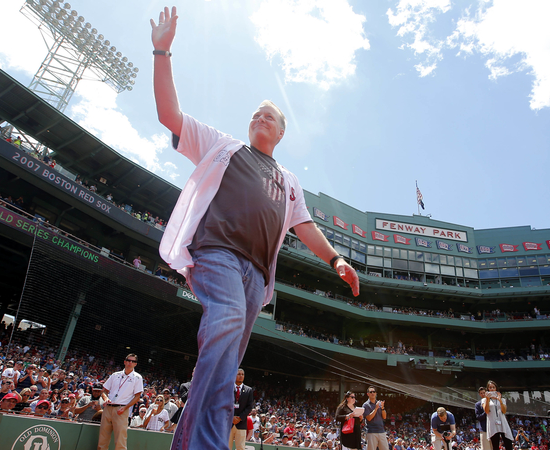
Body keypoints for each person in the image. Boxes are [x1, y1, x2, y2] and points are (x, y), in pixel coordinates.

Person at [150, 7, 360, 450]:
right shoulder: (224, 146)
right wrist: (162, 50)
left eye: (269, 116)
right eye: (256, 114)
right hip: (218, 254)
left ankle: (198, 443)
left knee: (229, 365)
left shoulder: (289, 181)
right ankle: (200, 444)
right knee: (223, 322)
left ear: (281, 132)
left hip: (257, 277)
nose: (260, 118)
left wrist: (336, 259)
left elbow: (304, 226)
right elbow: (170, 114)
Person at [98, 354, 144, 450]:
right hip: (108, 408)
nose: (130, 362)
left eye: (133, 361)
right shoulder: (115, 375)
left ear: (135, 364)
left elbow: (137, 397)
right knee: (102, 438)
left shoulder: (138, 377)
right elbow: (104, 391)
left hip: (122, 410)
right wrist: (106, 399)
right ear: (124, 361)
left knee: (120, 440)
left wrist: (125, 408)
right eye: (128, 360)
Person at [483, 381, 513, 450]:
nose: (492, 389)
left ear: (496, 388)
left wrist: (500, 401)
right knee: (495, 445)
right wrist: (487, 399)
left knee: (508, 442)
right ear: (488, 389)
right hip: (493, 423)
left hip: (502, 422)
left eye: (493, 387)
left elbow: (504, 411)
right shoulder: (484, 400)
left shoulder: (502, 399)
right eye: (490, 387)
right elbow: (486, 411)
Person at [230, 368, 255, 450]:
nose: (241, 376)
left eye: (242, 374)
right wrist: (231, 417)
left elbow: (249, 407)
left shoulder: (249, 390)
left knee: (240, 448)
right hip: (228, 424)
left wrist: (240, 417)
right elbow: (224, 404)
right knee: (225, 447)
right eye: (238, 374)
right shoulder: (228, 388)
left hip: (241, 423)